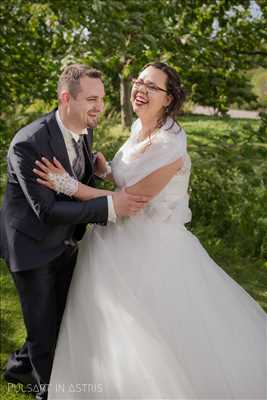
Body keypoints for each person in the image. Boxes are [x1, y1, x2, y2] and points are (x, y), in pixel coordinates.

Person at [34, 62, 267, 399]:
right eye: (138, 82)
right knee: (104, 323)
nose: (140, 89)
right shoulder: (140, 129)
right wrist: (109, 170)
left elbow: (132, 202)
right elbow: (130, 182)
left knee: (148, 331)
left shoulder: (170, 145)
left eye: (151, 86)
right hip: (114, 239)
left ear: (168, 99)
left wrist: (71, 186)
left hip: (149, 247)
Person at [0, 64, 150, 400]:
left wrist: (95, 179)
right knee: (43, 332)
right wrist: (111, 208)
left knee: (59, 317)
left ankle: (18, 368)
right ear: (66, 98)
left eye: (102, 98)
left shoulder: (84, 129)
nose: (100, 106)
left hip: (67, 241)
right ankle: (46, 392)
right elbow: (47, 209)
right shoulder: (29, 144)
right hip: (31, 245)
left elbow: (78, 185)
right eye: (92, 99)